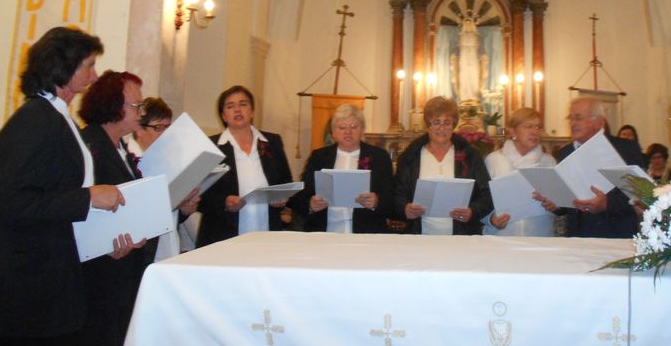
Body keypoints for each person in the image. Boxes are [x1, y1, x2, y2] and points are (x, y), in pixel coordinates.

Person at [0, 26, 124, 346]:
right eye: (88, 65)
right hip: (22, 293)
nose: (94, 75)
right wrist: (88, 197)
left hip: (45, 286)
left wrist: (100, 242)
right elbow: (13, 204)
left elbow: (52, 197)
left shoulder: (58, 118)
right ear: (63, 68)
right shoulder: (34, 120)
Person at [78, 70, 161, 346]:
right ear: (113, 106)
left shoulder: (120, 148)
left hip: (122, 268)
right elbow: (79, 204)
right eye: (136, 106)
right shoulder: (89, 146)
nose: (141, 112)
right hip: (97, 273)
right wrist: (104, 244)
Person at [197, 85, 293, 246]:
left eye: (243, 104)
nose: (237, 109)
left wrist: (281, 199)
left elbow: (286, 181)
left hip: (267, 231)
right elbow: (198, 194)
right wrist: (224, 202)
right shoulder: (211, 146)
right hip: (222, 234)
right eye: (230, 106)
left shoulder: (271, 142)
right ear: (223, 115)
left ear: (252, 111)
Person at [538, 97, 645, 238]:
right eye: (570, 118)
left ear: (598, 122)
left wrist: (607, 204)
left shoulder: (626, 149)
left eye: (578, 118)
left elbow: (640, 194)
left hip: (616, 235)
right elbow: (566, 204)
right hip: (577, 237)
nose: (572, 123)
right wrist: (555, 204)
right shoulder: (565, 152)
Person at [394, 96, 492, 235]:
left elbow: (487, 193)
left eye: (447, 123)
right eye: (436, 122)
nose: (441, 128)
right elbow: (397, 193)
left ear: (453, 126)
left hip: (461, 236)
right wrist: (405, 208)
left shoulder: (470, 156)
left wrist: (472, 211)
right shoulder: (410, 157)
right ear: (428, 125)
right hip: (420, 236)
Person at [296, 104, 393, 233]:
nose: (348, 132)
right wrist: (311, 204)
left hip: (366, 231)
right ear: (333, 132)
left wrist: (377, 201)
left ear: (362, 130)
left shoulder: (379, 157)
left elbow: (392, 196)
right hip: (324, 232)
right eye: (342, 127)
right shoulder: (319, 157)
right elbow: (301, 195)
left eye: (354, 126)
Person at [128, 97, 201, 258]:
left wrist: (183, 210)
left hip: (167, 250)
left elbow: (171, 218)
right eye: (158, 127)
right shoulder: (130, 163)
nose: (166, 134)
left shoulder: (166, 161)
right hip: (140, 252)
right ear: (139, 129)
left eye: (168, 127)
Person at [484, 108, 556, 236]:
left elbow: (559, 201)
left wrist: (553, 204)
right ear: (512, 131)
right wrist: (491, 219)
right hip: (502, 236)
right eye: (528, 126)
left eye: (539, 127)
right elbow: (481, 199)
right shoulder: (493, 160)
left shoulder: (549, 161)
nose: (535, 131)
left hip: (540, 234)